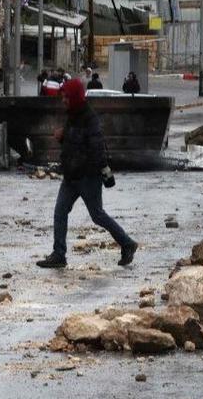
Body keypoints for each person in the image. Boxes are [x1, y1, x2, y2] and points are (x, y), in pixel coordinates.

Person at [37, 78, 138, 269]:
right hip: (71, 175)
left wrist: (65, 136)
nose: (63, 100)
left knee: (97, 215)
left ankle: (127, 243)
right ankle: (59, 254)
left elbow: (96, 148)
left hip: (88, 177)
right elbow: (74, 143)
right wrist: (64, 137)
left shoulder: (89, 118)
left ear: (75, 97)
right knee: (60, 212)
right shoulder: (73, 115)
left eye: (66, 97)